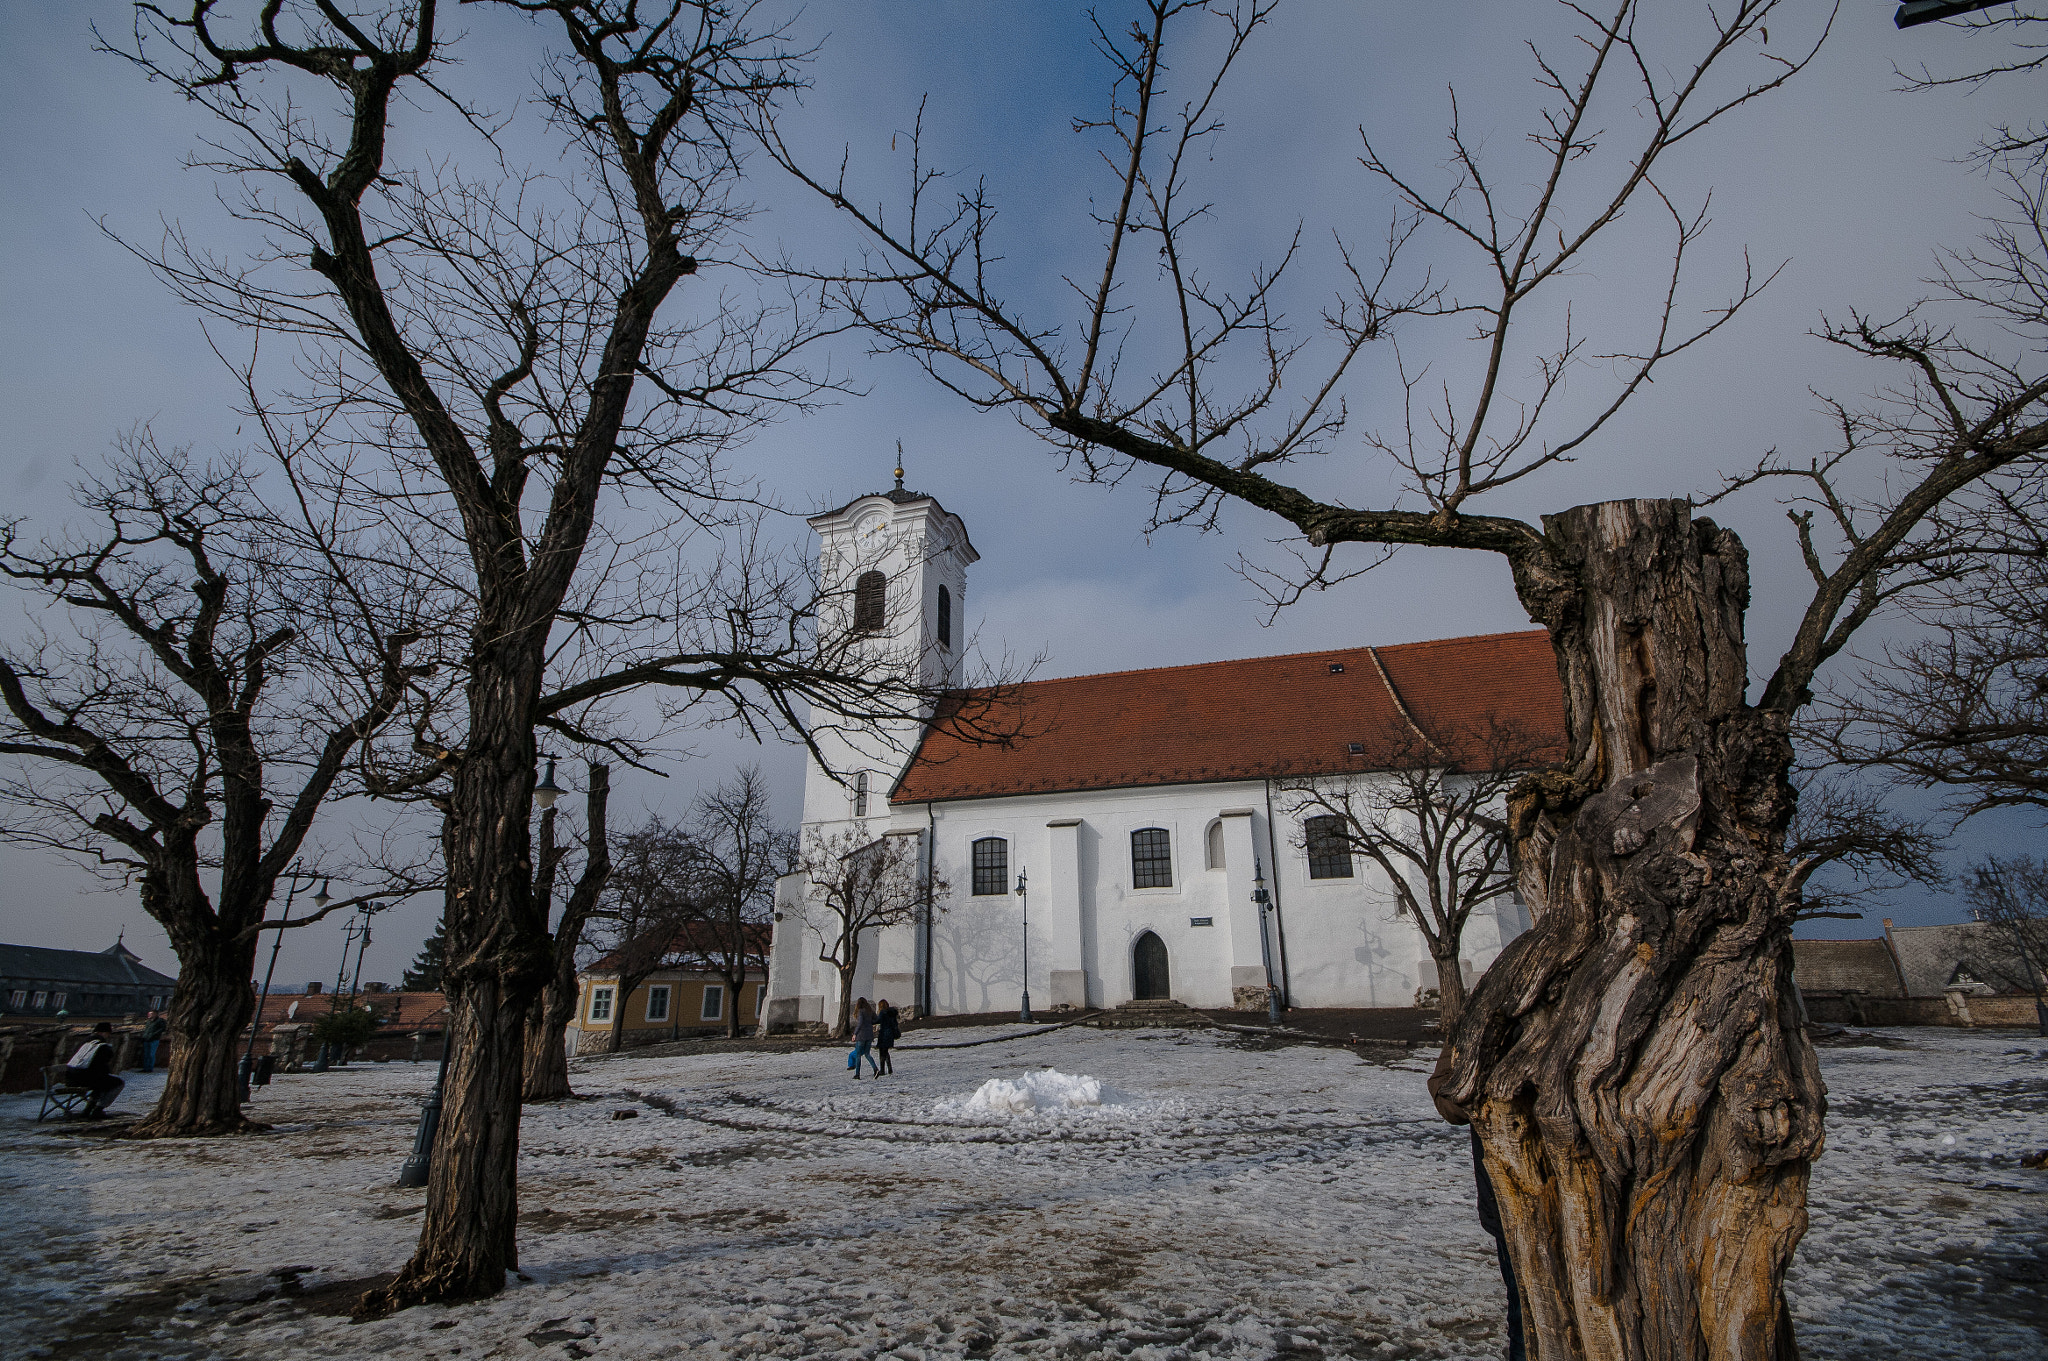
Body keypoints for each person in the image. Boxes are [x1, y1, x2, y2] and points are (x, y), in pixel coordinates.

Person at [1428, 1045, 1526, 1361]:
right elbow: (1445, 1092)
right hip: (1508, 1202)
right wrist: (1478, 1088)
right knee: (1525, 1319)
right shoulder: (1485, 1012)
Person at [65, 1022, 125, 1118]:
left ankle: (88, 1109)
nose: (108, 1036)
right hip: (86, 1079)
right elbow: (103, 1065)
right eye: (108, 1033)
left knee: (101, 1083)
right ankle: (98, 1109)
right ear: (102, 1033)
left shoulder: (83, 1042)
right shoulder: (103, 1046)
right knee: (117, 1083)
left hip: (70, 1078)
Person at [849, 997, 881, 1079]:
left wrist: (855, 1034)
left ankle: (857, 1074)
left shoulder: (860, 1012)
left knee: (858, 1055)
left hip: (861, 1035)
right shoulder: (870, 1011)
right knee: (867, 1054)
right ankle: (875, 1069)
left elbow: (860, 1024)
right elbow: (877, 1019)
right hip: (869, 1035)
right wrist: (870, 1023)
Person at [874, 998, 900, 1076]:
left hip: (884, 1034)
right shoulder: (892, 1013)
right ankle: (889, 1068)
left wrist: (869, 1021)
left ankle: (882, 1070)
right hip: (891, 1034)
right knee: (886, 1052)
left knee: (882, 1052)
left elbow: (877, 1021)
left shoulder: (883, 1013)